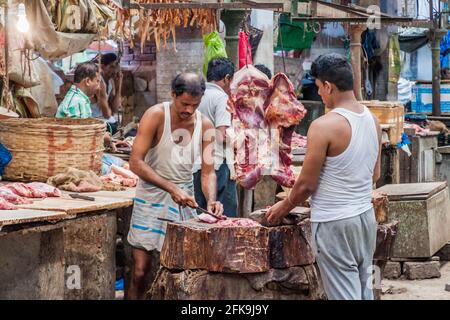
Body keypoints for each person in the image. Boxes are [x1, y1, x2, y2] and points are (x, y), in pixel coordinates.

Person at [266, 53, 382, 300]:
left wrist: (283, 207)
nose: (318, 93)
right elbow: (376, 173)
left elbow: (307, 185)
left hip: (335, 222)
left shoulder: (323, 125)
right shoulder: (373, 121)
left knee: (344, 294)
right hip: (365, 218)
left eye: (319, 88)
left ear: (328, 86)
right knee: (364, 291)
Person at [127, 72, 224, 300]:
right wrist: (171, 188)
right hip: (150, 197)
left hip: (184, 200)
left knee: (177, 272)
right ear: (173, 95)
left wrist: (211, 200)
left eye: (195, 105)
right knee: (140, 271)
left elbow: (208, 172)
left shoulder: (206, 125)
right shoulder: (155, 115)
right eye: (184, 104)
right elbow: (135, 162)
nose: (189, 110)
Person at [193, 57, 238, 217]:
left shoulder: (197, 95)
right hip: (217, 166)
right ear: (226, 78)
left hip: (195, 164)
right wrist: (239, 139)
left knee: (202, 215)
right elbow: (221, 135)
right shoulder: (221, 98)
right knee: (224, 217)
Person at [90, 53, 122, 134]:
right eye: (111, 67)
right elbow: (107, 114)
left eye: (116, 67)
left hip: (107, 122)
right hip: (96, 122)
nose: (115, 70)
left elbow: (114, 109)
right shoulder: (98, 82)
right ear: (103, 67)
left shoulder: (111, 82)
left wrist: (119, 86)